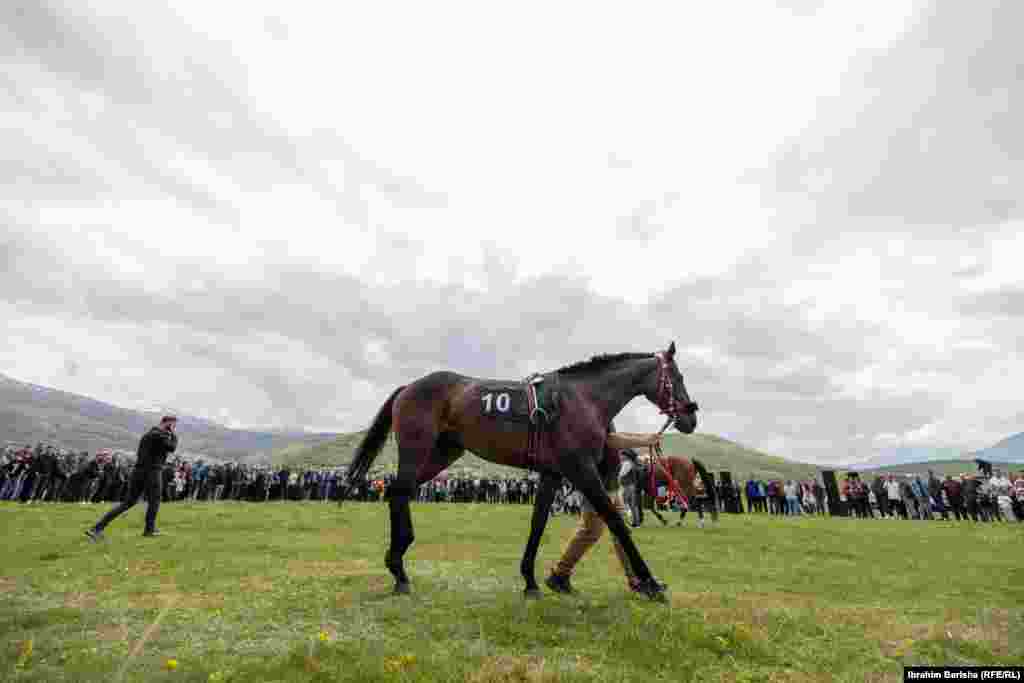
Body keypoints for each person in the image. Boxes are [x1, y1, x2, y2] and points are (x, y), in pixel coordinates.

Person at [545, 429, 665, 596]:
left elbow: (616, 436)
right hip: (597, 488)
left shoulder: (605, 414)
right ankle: (559, 574)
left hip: (612, 488)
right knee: (591, 532)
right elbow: (611, 440)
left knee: (622, 533)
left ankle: (636, 580)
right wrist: (645, 440)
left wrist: (646, 437)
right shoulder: (592, 412)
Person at [85, 416, 179, 541]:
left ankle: (96, 528)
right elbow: (172, 447)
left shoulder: (150, 434)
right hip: (152, 471)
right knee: (155, 501)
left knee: (128, 502)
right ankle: (149, 530)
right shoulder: (159, 435)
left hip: (138, 471)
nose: (173, 428)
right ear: (166, 423)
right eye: (172, 425)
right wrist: (173, 434)